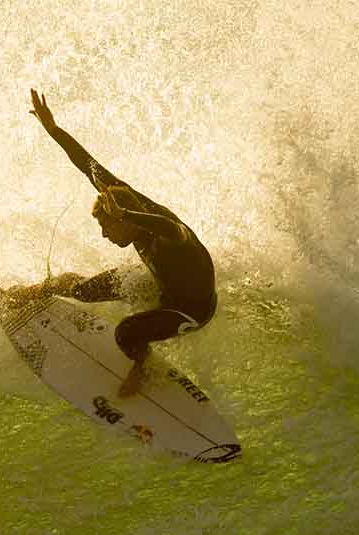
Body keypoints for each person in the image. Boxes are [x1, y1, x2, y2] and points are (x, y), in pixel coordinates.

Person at [21, 88, 217, 398]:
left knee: (126, 333)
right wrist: (54, 130)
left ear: (125, 219)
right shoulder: (119, 195)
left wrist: (125, 213)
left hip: (192, 308)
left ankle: (144, 368)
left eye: (107, 226)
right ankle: (45, 288)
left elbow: (176, 230)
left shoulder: (166, 233)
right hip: (160, 284)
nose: (104, 235)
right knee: (83, 290)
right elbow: (89, 165)